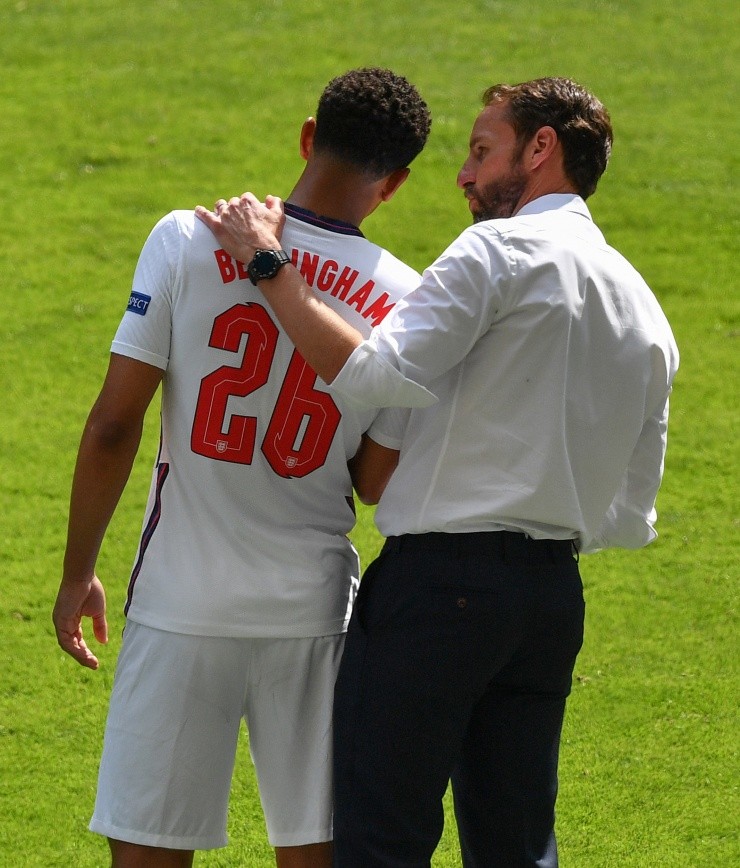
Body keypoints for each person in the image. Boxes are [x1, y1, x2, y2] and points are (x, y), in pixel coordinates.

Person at [195, 76, 680, 867]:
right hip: (551, 601)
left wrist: (267, 262)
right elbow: (630, 514)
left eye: (481, 151)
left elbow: (373, 375)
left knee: (380, 841)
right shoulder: (644, 305)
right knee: (517, 849)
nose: (463, 174)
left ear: (542, 147)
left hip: (439, 592)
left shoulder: (498, 250)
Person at [52, 67, 431, 868]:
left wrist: (78, 571)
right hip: (314, 613)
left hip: (180, 603)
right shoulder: (407, 297)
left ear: (307, 136)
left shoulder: (185, 238)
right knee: (317, 852)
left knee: (149, 854)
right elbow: (375, 482)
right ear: (395, 182)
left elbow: (114, 425)